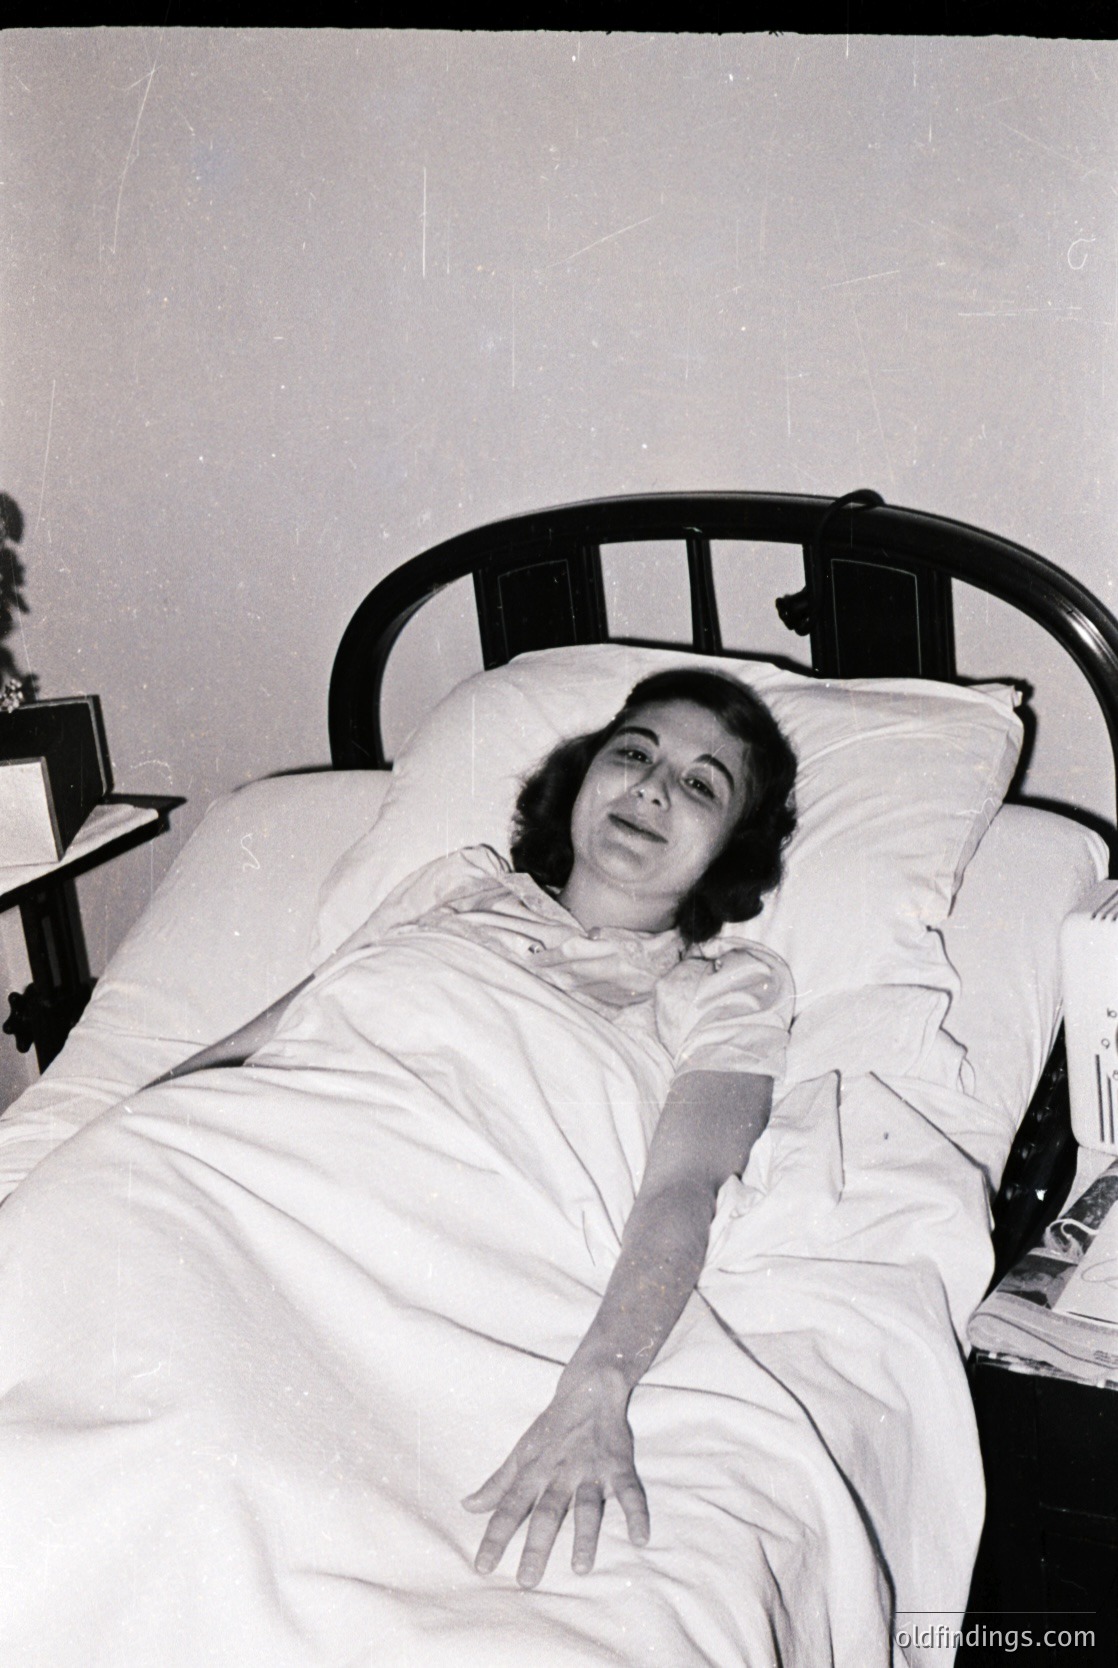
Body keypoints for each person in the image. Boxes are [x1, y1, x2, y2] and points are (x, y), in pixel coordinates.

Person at [155, 667, 797, 1592]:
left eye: (703, 784)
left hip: (445, 1239)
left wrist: (599, 1384)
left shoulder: (728, 987)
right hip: (265, 1170)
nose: (654, 787)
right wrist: (125, 1130)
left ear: (730, 848)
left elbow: (682, 1188)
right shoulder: (455, 888)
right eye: (634, 753)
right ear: (582, 777)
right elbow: (272, 1036)